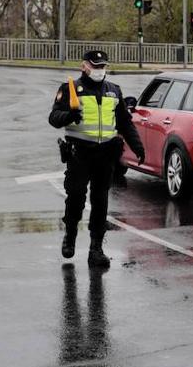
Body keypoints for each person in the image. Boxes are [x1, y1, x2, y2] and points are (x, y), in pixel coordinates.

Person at [48, 50, 145, 268]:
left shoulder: (113, 91)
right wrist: (69, 116)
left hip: (105, 155)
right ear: (84, 66)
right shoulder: (71, 90)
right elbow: (53, 118)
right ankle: (70, 237)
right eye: (95, 66)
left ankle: (96, 249)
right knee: (75, 199)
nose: (99, 70)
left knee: (100, 202)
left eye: (102, 66)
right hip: (79, 154)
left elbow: (124, 122)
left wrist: (138, 147)